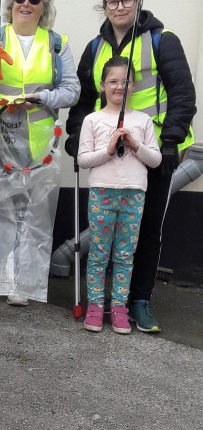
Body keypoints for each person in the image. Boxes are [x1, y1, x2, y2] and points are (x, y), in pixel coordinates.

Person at [65, 0, 196, 333]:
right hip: (110, 158)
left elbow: (182, 93)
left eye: (127, 1)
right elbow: (84, 98)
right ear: (104, 7)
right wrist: (77, 133)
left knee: (148, 231)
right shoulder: (96, 48)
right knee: (108, 238)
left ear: (138, 2)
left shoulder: (162, 41)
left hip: (154, 152)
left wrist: (170, 140)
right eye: (113, 2)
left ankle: (138, 302)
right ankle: (101, 303)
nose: (120, 7)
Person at [0, 0, 78, 305]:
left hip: (39, 139)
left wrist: (41, 98)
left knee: (32, 210)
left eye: (34, 0)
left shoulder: (57, 43)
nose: (26, 4)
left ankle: (22, 285)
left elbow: (72, 89)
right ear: (10, 3)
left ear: (44, 7)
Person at [77, 57, 161, 334]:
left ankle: (120, 308)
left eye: (125, 82)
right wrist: (109, 149)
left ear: (133, 86)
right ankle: (95, 306)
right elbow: (83, 159)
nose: (119, 87)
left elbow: (156, 160)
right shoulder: (93, 119)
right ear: (102, 86)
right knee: (99, 254)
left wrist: (135, 144)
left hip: (134, 194)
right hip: (102, 192)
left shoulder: (143, 120)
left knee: (125, 255)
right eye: (112, 81)